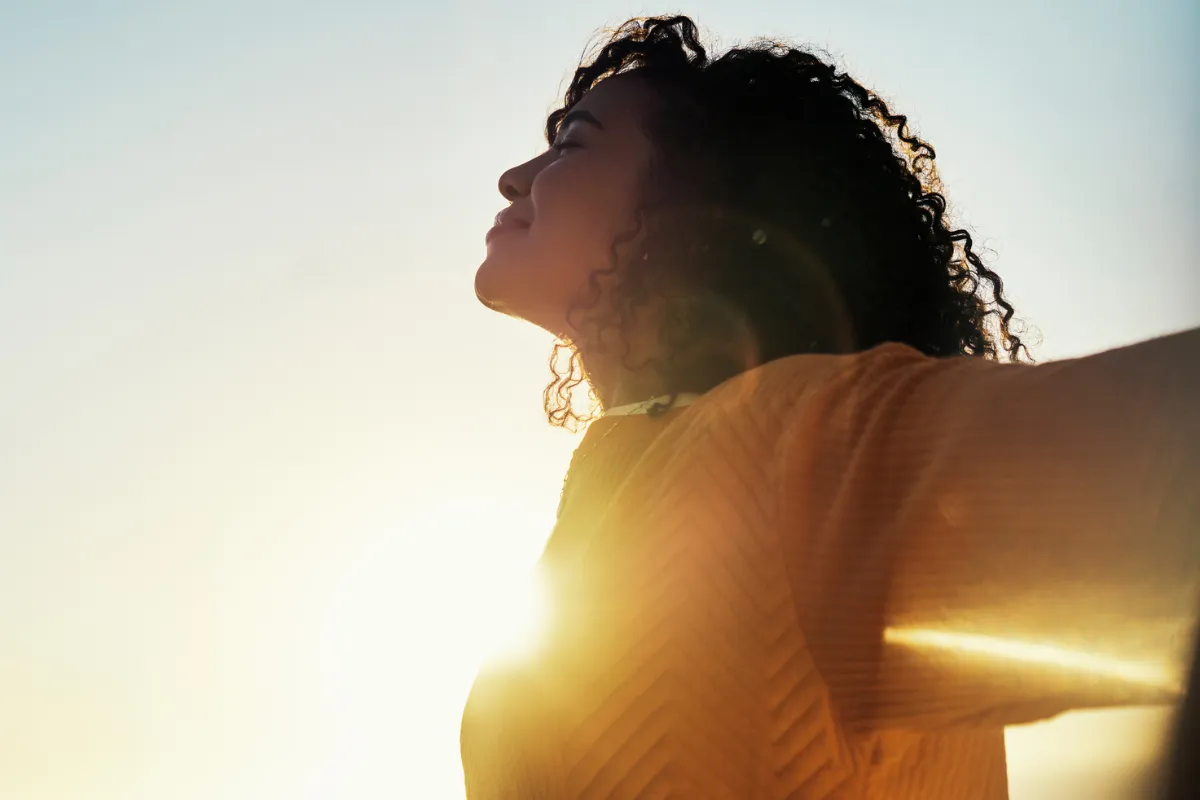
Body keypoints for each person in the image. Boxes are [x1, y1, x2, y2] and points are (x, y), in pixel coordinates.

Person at [463, 15, 1199, 799]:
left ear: (699, 204)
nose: (515, 176)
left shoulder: (808, 450)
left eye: (573, 143)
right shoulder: (610, 511)